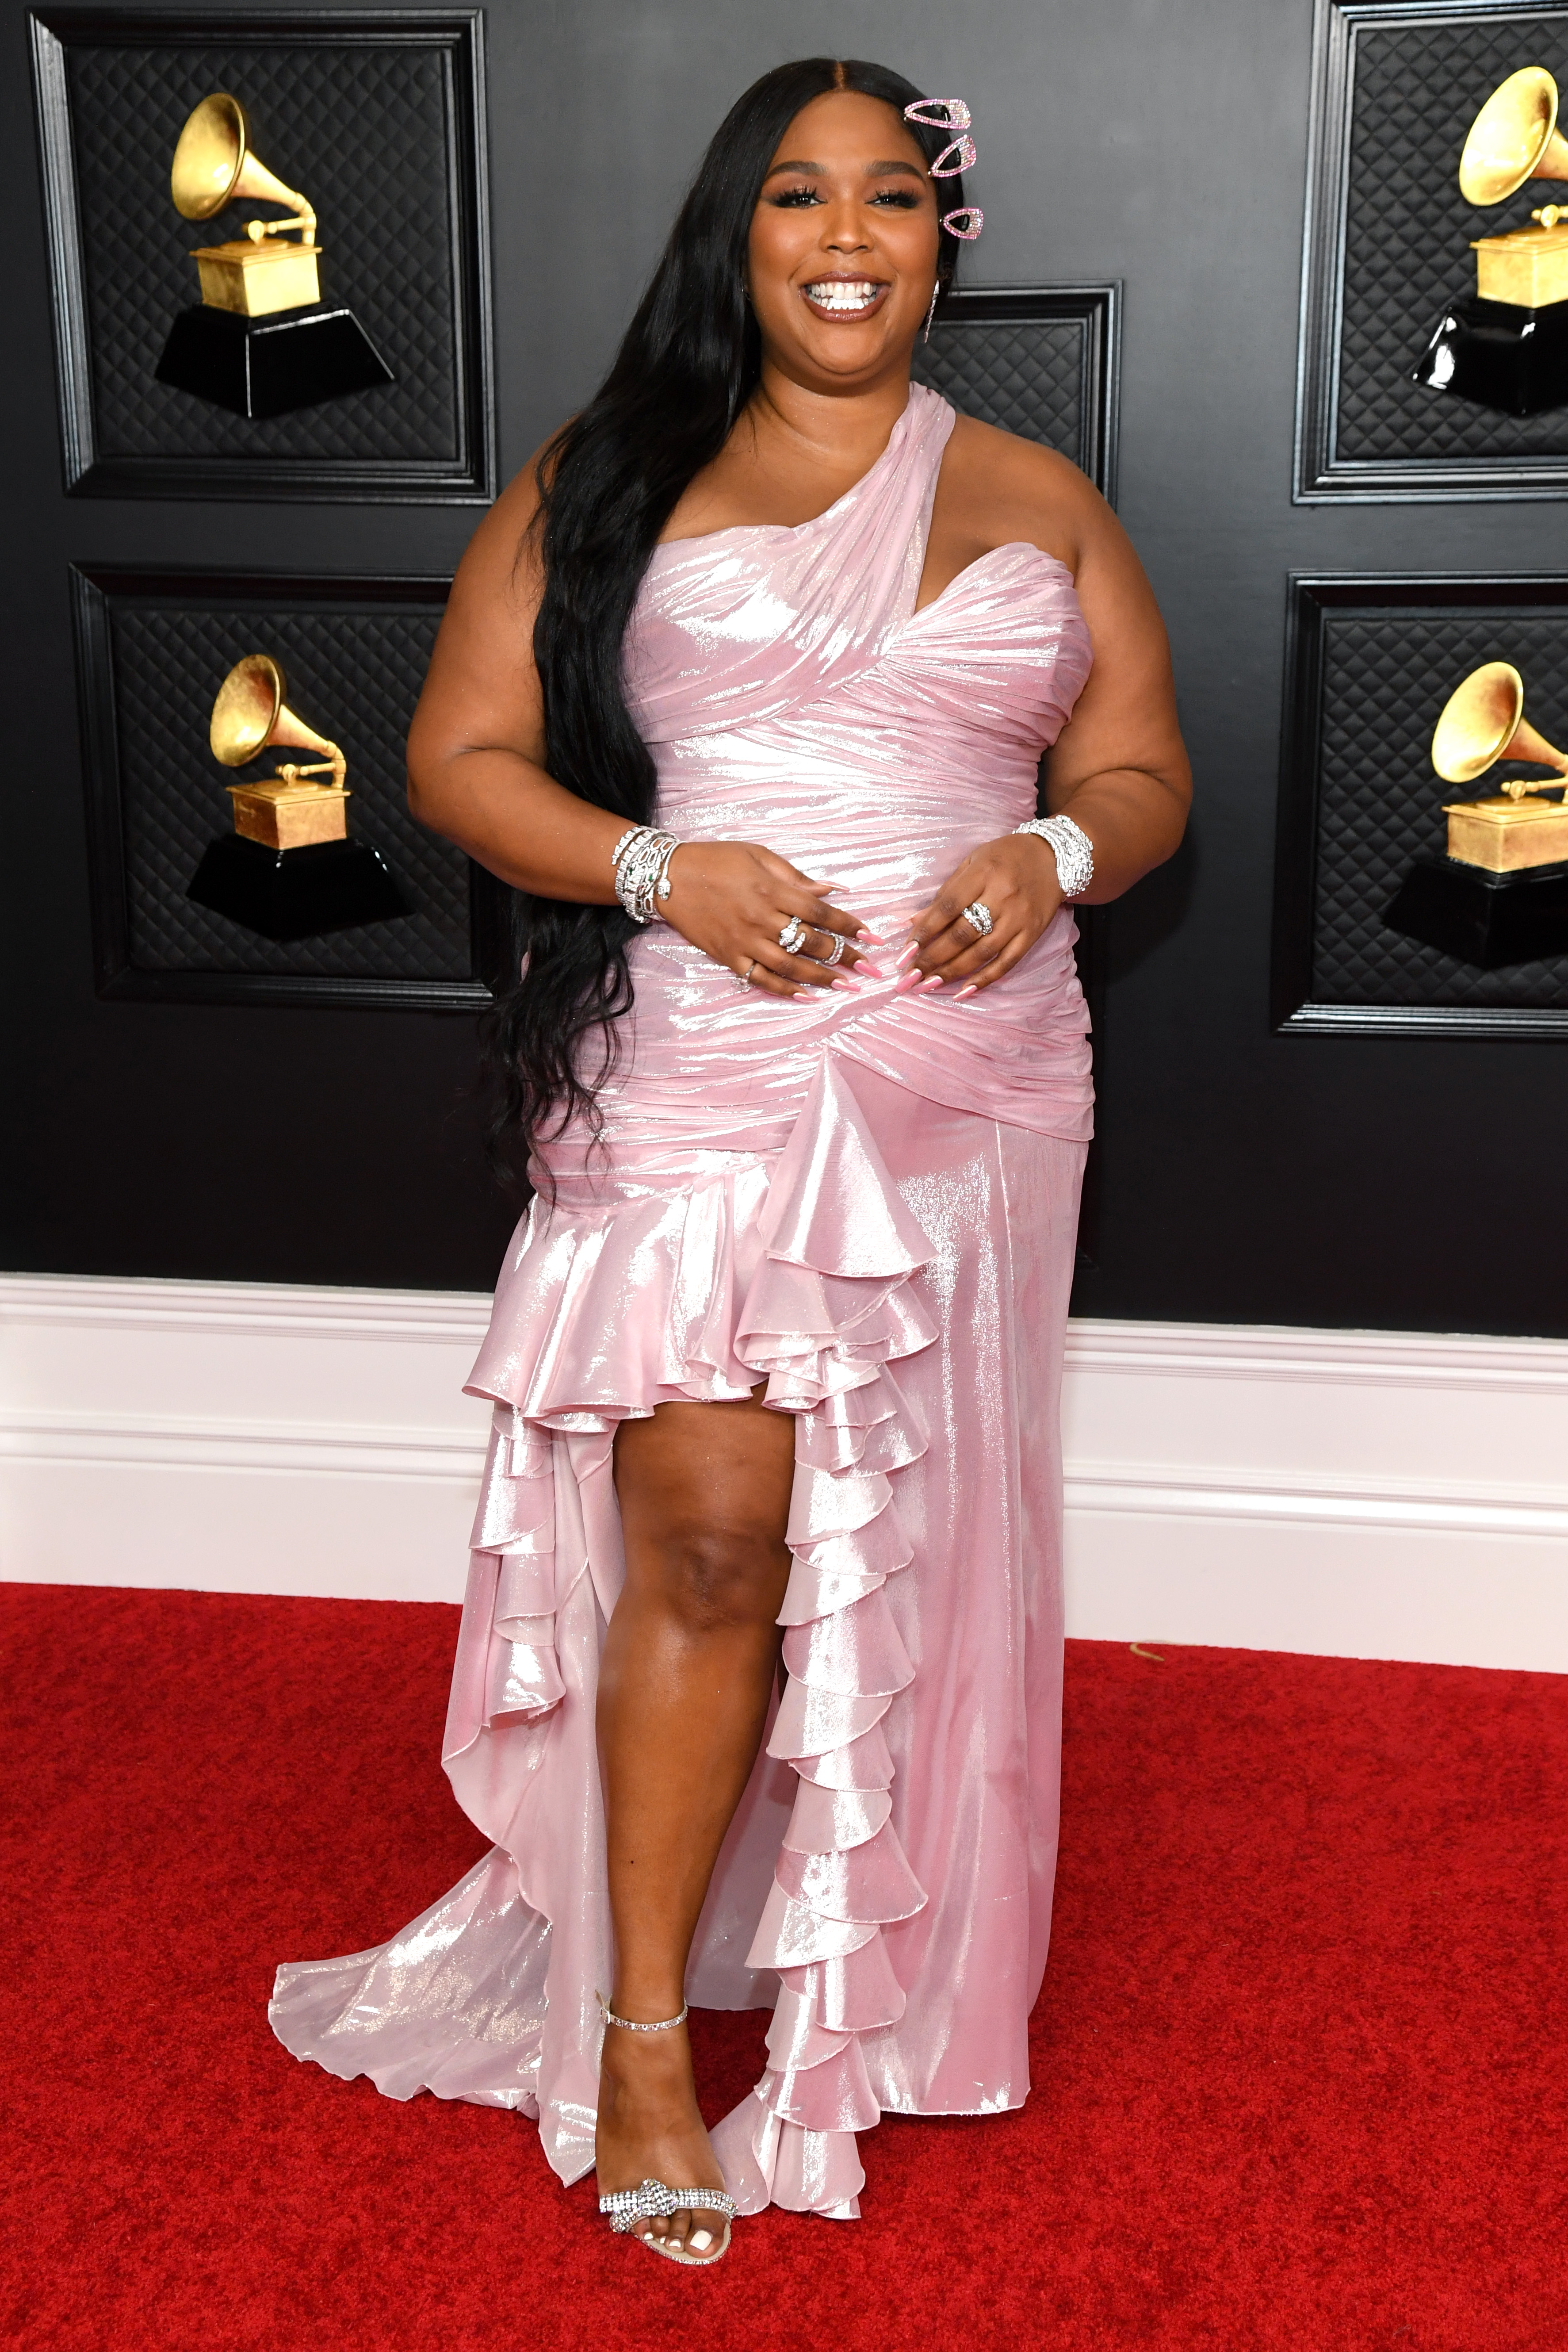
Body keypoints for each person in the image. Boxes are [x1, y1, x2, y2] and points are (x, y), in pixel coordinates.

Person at [270, 55, 1190, 2268]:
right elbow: (458, 755)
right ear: (736, 233)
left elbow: (1144, 772)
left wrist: (1053, 853)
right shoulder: (605, 474)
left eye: (889, 195)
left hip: (971, 1080)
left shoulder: (1040, 496)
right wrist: (655, 866)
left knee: (913, 1539)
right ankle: (641, 2037)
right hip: (699, 1059)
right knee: (702, 1533)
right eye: (796, 195)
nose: (845, 234)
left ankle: (878, 1975)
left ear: (941, 238)